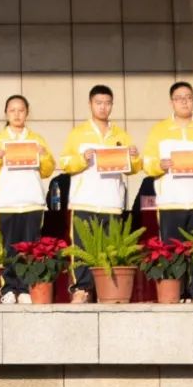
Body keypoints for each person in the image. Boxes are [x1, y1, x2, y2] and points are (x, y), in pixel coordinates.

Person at [143, 82, 193, 303]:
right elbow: (147, 163)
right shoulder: (159, 130)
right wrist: (160, 165)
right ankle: (174, 292)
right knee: (171, 250)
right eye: (179, 98)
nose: (184, 102)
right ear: (172, 102)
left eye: (188, 97)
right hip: (171, 201)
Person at [59, 84, 141, 303]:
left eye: (107, 103)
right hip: (84, 201)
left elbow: (134, 168)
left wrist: (134, 157)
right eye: (99, 103)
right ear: (90, 104)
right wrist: (81, 159)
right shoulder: (78, 134)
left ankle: (108, 291)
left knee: (110, 250)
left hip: (112, 202)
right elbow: (65, 163)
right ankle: (81, 289)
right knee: (81, 248)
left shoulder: (121, 135)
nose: (103, 107)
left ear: (112, 105)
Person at [0, 95, 56, 304]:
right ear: (6, 113)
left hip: (32, 201)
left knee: (30, 247)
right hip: (7, 202)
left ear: (27, 113)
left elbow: (48, 170)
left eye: (21, 110)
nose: (17, 114)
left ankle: (25, 289)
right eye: (12, 110)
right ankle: (8, 289)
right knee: (8, 248)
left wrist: (44, 155)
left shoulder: (37, 139)